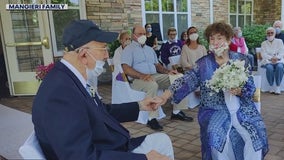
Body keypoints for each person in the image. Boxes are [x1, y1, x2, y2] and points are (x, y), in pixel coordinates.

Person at [32, 20, 174, 160]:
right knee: (161, 145)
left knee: (162, 140)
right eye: (103, 48)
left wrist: (140, 106)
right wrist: (144, 159)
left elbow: (100, 111)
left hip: (109, 147)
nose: (107, 56)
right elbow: (80, 157)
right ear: (83, 54)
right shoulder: (60, 94)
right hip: (106, 151)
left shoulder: (71, 78)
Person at [159, 22, 269, 160]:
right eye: (212, 38)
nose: (215, 42)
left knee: (255, 133)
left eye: (219, 38)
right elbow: (187, 80)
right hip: (214, 110)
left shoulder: (241, 59)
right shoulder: (203, 63)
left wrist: (240, 90)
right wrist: (165, 95)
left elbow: (251, 88)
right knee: (215, 134)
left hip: (242, 108)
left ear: (228, 40)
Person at [121, 24, 193, 131]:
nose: (143, 36)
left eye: (144, 34)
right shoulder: (128, 49)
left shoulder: (150, 49)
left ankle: (176, 112)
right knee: (152, 85)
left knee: (179, 78)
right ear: (133, 35)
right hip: (137, 79)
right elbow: (126, 68)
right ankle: (152, 118)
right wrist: (142, 75)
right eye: (140, 34)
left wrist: (169, 71)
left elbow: (157, 66)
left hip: (154, 75)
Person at [260, 27, 284, 95]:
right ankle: (271, 86)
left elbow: (282, 52)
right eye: (268, 33)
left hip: (278, 60)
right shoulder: (263, 43)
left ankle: (278, 87)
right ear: (266, 34)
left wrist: (277, 58)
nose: (270, 34)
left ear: (274, 34)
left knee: (280, 67)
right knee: (269, 68)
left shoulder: (279, 41)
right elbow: (263, 54)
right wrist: (271, 58)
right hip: (268, 61)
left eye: (271, 33)